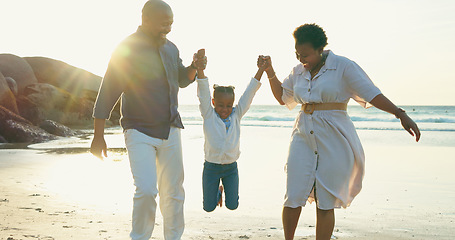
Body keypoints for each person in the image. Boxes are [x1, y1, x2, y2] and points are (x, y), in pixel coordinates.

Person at [259, 23, 421, 240]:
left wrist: (399, 113)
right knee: (293, 194)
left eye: (305, 54)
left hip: (334, 137)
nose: (300, 58)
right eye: (297, 53)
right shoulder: (297, 72)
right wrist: (270, 72)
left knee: (326, 200)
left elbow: (372, 94)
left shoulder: (343, 66)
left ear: (320, 49)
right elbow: (282, 97)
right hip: (303, 135)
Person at [90, 1, 206, 239]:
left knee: (173, 193)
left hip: (171, 129)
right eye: (165, 23)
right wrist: (98, 135)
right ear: (146, 18)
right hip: (138, 129)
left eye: (171, 23)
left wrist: (194, 67)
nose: (169, 28)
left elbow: (182, 79)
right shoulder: (127, 48)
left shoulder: (172, 48)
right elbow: (108, 91)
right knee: (145, 190)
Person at [195, 51, 265, 212]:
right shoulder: (208, 114)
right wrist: (200, 70)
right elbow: (203, 93)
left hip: (231, 168)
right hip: (211, 168)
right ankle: (217, 192)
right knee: (208, 208)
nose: (225, 109)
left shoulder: (236, 115)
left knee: (232, 205)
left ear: (233, 104)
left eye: (228, 105)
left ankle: (223, 190)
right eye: (220, 105)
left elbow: (249, 93)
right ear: (213, 102)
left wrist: (260, 70)